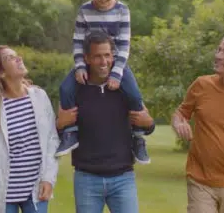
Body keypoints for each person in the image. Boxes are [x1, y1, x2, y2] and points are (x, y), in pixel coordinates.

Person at [56, 0, 150, 164]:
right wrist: (80, 66)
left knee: (134, 94)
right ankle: (70, 133)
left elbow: (124, 45)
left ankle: (137, 137)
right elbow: (78, 41)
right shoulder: (84, 11)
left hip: (116, 62)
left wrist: (116, 74)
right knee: (65, 89)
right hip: (89, 60)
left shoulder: (122, 11)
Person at [57, 31, 155, 213]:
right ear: (86, 58)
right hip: (86, 178)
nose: (104, 62)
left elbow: (146, 124)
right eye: (97, 57)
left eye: (107, 55)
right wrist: (59, 125)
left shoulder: (125, 87)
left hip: (123, 178)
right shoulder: (75, 91)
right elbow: (60, 132)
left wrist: (148, 123)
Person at [0, 45, 59, 213]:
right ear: (0, 73)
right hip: (3, 194)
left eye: (17, 55)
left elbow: (52, 140)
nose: (19, 59)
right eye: (10, 58)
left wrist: (48, 178)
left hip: (35, 190)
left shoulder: (40, 97)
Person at [171, 32, 224, 213]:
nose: (218, 55)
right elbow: (180, 114)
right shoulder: (201, 85)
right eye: (219, 50)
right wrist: (179, 123)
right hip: (200, 181)